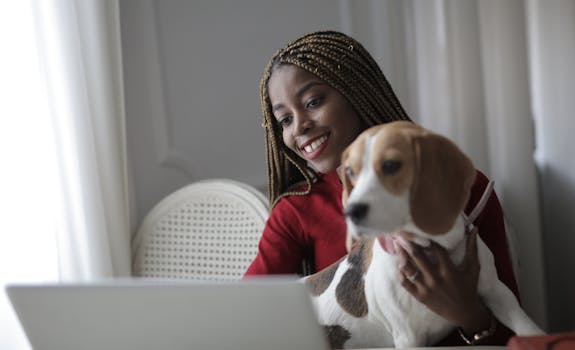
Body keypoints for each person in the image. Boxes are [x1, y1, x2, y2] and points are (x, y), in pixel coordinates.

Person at [245, 30, 520, 346]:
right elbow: (246, 310)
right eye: (284, 120)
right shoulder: (296, 211)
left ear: (356, 91)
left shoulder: (464, 187)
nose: (299, 126)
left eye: (313, 101)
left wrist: (468, 315)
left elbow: (512, 333)